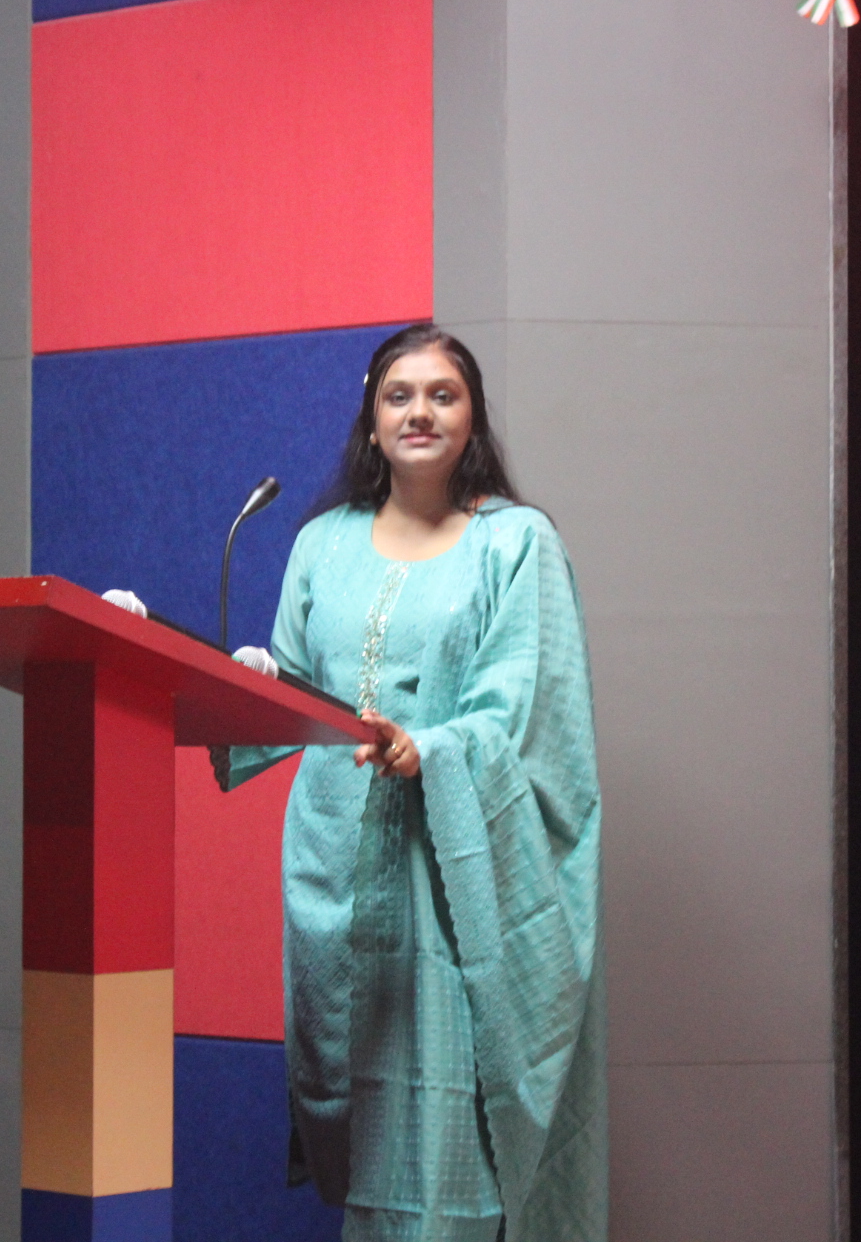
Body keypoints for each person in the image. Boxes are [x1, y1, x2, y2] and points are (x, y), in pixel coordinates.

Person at [218, 324, 606, 1241]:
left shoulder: (515, 544)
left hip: (455, 874)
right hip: (334, 866)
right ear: (371, 419)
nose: (419, 412)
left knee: (452, 1136)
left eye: (443, 394)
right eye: (399, 395)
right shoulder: (321, 543)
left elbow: (526, 708)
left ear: (473, 419)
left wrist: (431, 749)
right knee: (363, 1126)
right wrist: (243, 682)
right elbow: (296, 683)